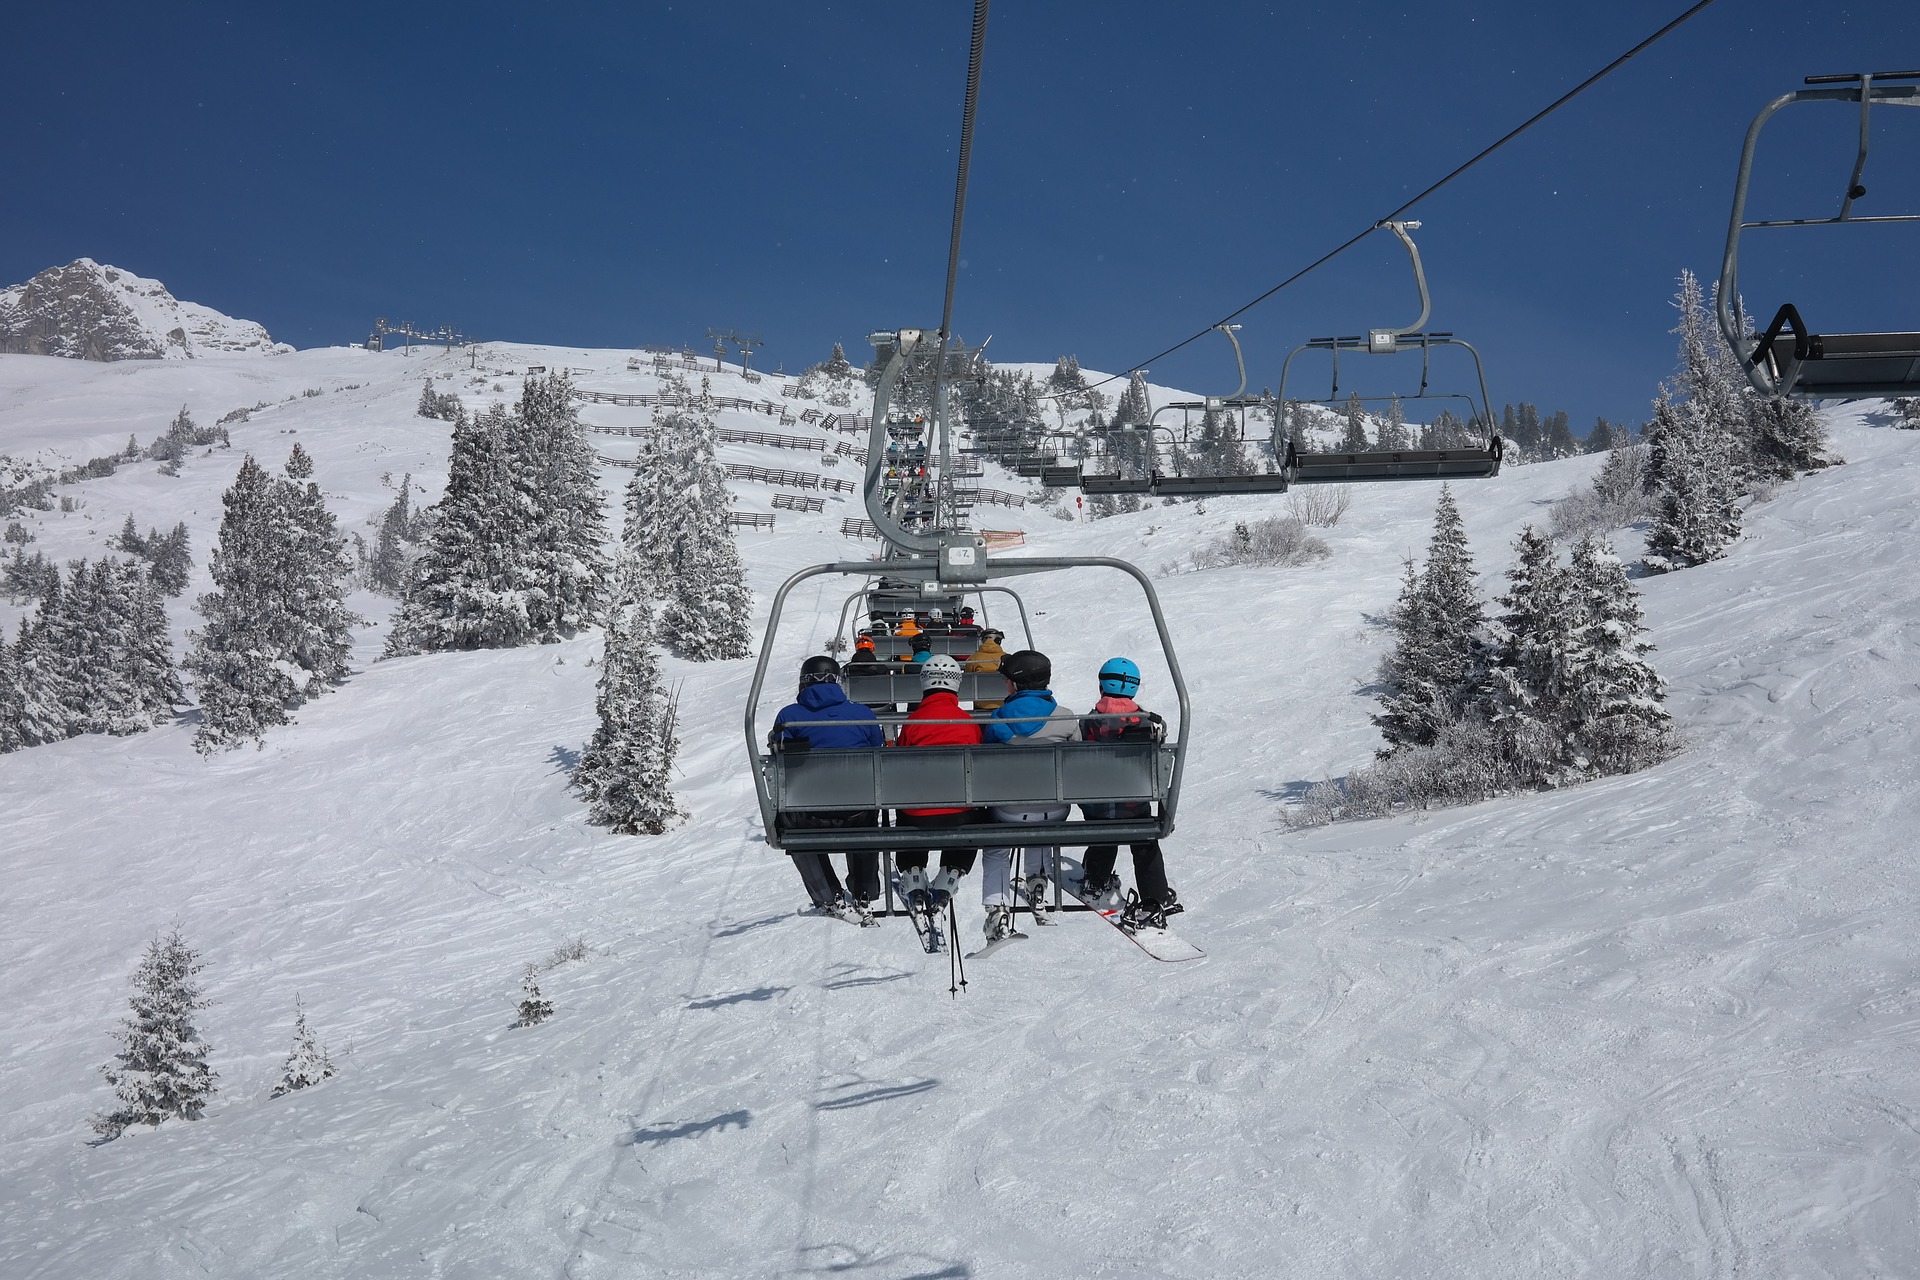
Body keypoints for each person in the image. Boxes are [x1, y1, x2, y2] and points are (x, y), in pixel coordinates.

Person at [770, 655, 885, 923]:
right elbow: (878, 752)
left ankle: (828, 896)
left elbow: (778, 759)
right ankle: (864, 891)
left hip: (810, 814)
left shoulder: (789, 716)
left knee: (791, 824)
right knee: (866, 816)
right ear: (837, 681)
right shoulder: (862, 714)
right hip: (857, 811)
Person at [976, 650, 1080, 943]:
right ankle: (1037, 881)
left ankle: (997, 908)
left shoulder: (998, 719)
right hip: (1055, 809)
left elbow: (984, 763)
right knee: (1042, 824)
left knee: (997, 845)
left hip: (1010, 809)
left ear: (1016, 685)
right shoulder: (1067, 718)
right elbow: (1079, 763)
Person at [1078, 657, 1181, 929]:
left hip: (1097, 809)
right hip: (1134, 808)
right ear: (1134, 688)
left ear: (1102, 684)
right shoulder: (1147, 723)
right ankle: (1154, 896)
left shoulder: (1089, 723)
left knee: (1104, 833)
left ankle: (1095, 878)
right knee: (1145, 843)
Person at [893, 654, 980, 911]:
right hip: (960, 815)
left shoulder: (913, 724)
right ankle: (952, 872)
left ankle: (913, 873)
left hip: (917, 814)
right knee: (975, 813)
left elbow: (899, 765)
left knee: (906, 807)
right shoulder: (968, 723)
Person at [964, 627, 1007, 711]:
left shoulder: (973, 658)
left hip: (980, 704)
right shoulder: (1007, 658)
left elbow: (967, 681)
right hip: (1004, 703)